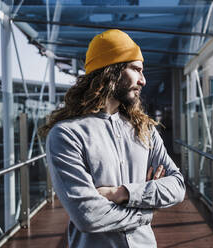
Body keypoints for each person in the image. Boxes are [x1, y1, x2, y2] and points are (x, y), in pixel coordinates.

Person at [39, 29, 185, 248]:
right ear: (111, 71)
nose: (143, 80)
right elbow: (87, 215)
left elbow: (177, 186)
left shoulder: (145, 129)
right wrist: (144, 213)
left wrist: (123, 193)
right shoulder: (66, 135)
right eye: (136, 69)